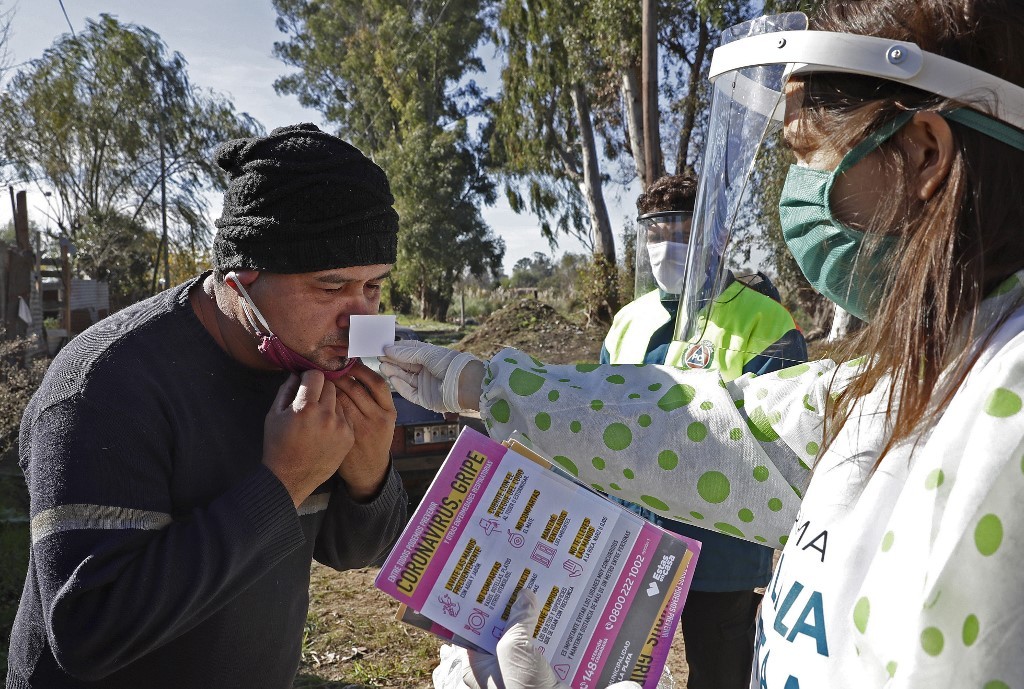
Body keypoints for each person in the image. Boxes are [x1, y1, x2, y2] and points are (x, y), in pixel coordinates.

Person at [381, 1, 1024, 687]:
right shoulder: (924, 372)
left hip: (719, 568)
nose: (793, 199)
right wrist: (480, 385)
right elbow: (713, 424)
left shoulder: (1004, 412)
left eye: (806, 156)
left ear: (925, 150)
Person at [6, 123, 408, 688]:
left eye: (373, 287)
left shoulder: (314, 360)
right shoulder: (103, 387)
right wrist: (283, 484)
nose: (361, 318)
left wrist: (369, 476)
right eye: (330, 285)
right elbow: (89, 632)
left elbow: (355, 552)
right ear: (243, 273)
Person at [602, 173, 806, 689]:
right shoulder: (627, 320)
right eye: (654, 231)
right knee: (613, 674)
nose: (664, 245)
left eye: (680, 230)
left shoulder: (767, 322)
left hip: (722, 553)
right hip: (632, 541)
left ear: (714, 237)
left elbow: (779, 442)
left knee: (720, 676)